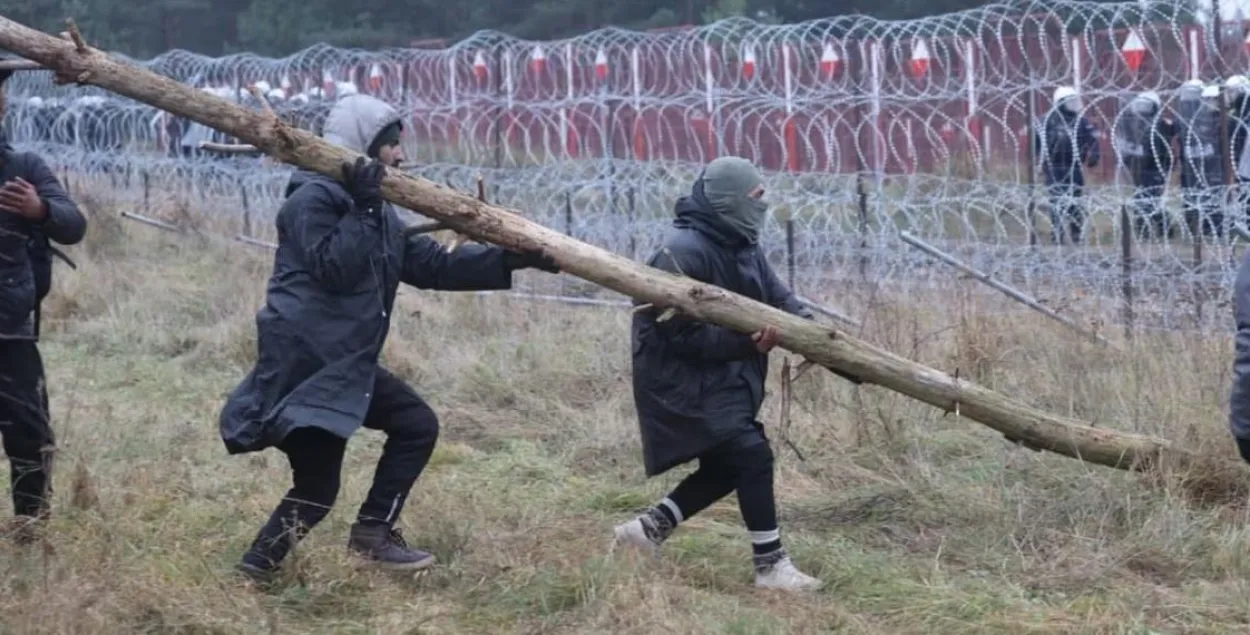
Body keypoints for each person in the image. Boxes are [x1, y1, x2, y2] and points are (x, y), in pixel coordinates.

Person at [219, 93, 560, 583]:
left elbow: (431, 266)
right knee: (327, 480)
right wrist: (365, 205)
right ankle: (335, 547)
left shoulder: (372, 207)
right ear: (364, 147)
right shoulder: (311, 198)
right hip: (308, 366)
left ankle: (284, 562)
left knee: (386, 443)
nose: (400, 156)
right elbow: (335, 267)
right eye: (391, 146)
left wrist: (510, 260)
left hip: (341, 362)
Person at [613, 156, 830, 592]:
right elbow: (678, 337)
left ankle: (647, 530)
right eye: (755, 197)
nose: (762, 205)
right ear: (729, 201)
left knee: (727, 466)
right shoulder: (681, 252)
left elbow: (776, 295)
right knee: (750, 454)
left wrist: (811, 331)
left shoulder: (739, 240)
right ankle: (770, 566)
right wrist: (744, 344)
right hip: (680, 382)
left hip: (722, 374)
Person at [0, 64, 86, 540]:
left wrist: (40, 210)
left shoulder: (24, 167)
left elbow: (73, 225)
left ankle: (30, 524)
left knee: (29, 433)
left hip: (9, 325)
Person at [1033, 85, 1100, 244]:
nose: (1074, 104)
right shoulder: (1046, 120)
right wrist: (1039, 160)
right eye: (1070, 102)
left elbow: (1093, 140)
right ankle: (1057, 233)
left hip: (1074, 166)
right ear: (1060, 102)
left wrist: (1094, 155)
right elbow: (1035, 142)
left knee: (1075, 201)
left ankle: (1076, 233)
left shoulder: (1081, 121)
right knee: (1056, 201)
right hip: (1054, 167)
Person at [1113, 91, 1175, 239]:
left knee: (1152, 200)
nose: (1143, 109)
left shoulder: (1161, 124)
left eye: (1146, 106)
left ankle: (1163, 227)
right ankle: (1144, 230)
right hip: (1140, 167)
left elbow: (1166, 143)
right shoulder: (1136, 125)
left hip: (1155, 168)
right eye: (1141, 106)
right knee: (1141, 199)